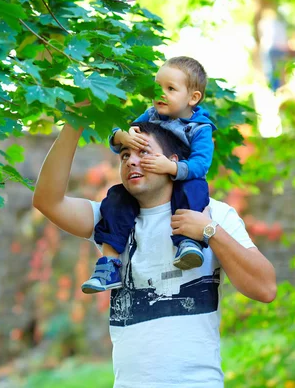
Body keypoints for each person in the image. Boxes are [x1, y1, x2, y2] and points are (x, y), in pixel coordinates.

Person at [32, 121, 276, 387]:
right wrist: (76, 119)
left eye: (143, 152)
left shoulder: (213, 215)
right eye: (125, 155)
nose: (131, 161)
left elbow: (265, 288)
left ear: (172, 162)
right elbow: (48, 201)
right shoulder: (111, 220)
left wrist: (210, 231)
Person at [83, 56, 216, 294]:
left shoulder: (200, 128)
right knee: (115, 198)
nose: (160, 94)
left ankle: (187, 242)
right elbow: (124, 132)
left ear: (193, 98)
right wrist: (121, 136)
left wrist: (173, 168)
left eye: (170, 89)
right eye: (157, 88)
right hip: (148, 180)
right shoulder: (150, 115)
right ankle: (110, 264)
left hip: (180, 177)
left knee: (195, 188)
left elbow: (201, 164)